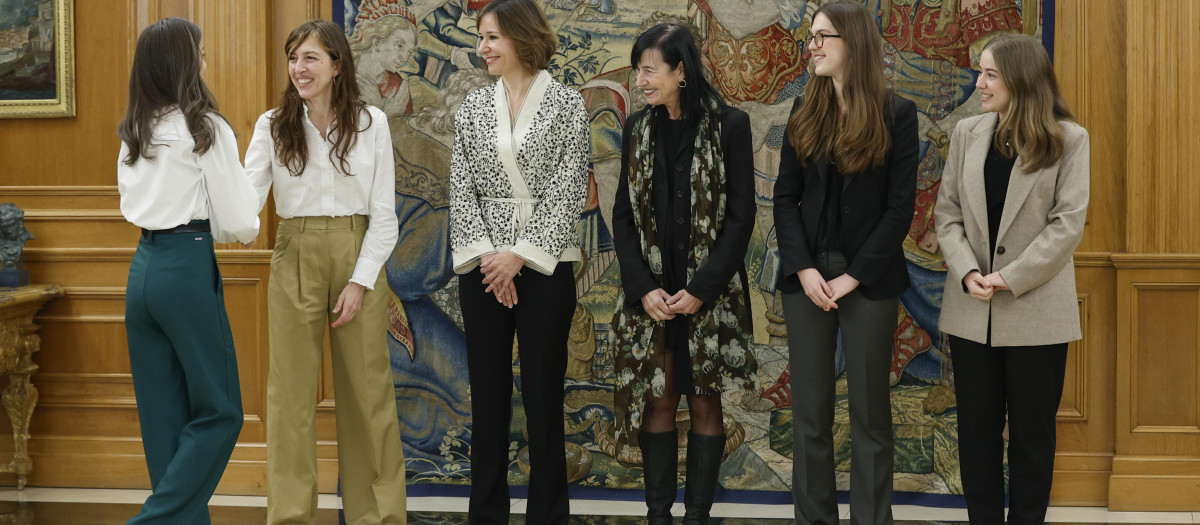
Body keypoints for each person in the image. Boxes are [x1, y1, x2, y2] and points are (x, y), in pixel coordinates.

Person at [243, 19, 406, 525]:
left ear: (337, 64)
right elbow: (246, 210)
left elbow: (384, 215)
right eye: (293, 58)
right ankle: (290, 516)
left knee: (367, 393)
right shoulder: (272, 125)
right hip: (294, 251)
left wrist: (359, 282)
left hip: (360, 252)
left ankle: (375, 517)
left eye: (310, 57)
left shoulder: (371, 123)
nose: (299, 68)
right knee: (289, 394)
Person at [772, 1, 919, 523]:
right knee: (809, 415)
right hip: (806, 282)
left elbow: (901, 208)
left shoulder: (897, 114)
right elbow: (784, 200)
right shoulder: (801, 111)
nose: (812, 47)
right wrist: (806, 269)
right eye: (811, 38)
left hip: (870, 282)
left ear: (853, 43)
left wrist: (853, 276)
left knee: (870, 416)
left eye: (822, 37)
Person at [934, 32, 1090, 525]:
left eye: (989, 74)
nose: (979, 83)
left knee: (1032, 437)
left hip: (1036, 312)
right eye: (980, 71)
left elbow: (1068, 224)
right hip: (971, 307)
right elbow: (947, 215)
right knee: (975, 435)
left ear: (1020, 80)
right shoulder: (967, 134)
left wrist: (1007, 277)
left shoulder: (1070, 139)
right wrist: (967, 273)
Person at [609, 23, 757, 525]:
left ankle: (696, 516)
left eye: (649, 69)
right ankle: (658, 516)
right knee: (658, 399)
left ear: (681, 71)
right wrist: (642, 288)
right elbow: (623, 217)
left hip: (707, 296)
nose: (641, 80)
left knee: (704, 404)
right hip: (652, 294)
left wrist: (700, 290)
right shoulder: (637, 128)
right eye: (638, 70)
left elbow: (741, 218)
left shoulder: (729, 126)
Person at [448, 0, 589, 522]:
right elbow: (461, 191)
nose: (482, 47)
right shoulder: (471, 109)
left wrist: (520, 257)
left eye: (491, 38)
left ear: (521, 38)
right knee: (487, 401)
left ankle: (548, 515)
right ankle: (486, 515)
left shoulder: (567, 104)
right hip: (483, 270)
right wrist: (491, 258)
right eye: (480, 38)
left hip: (545, 271)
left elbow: (568, 187)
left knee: (544, 401)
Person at [116, 16, 259, 524]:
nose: (206, 61)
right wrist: (238, 220)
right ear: (183, 62)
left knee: (164, 419)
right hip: (186, 267)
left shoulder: (135, 130)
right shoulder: (205, 128)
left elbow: (139, 204)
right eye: (199, 52)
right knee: (222, 411)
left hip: (143, 271)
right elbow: (243, 222)